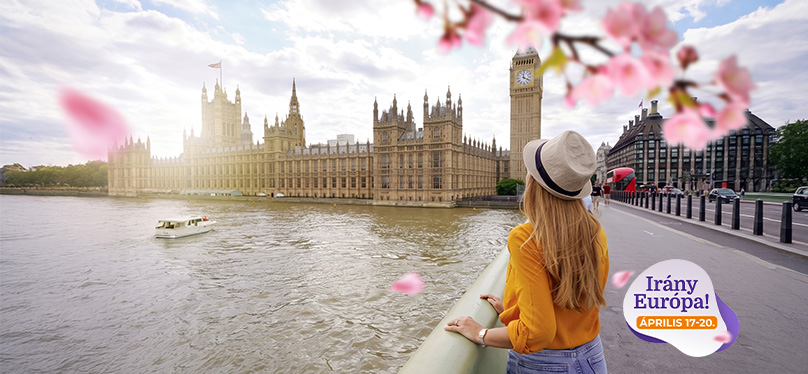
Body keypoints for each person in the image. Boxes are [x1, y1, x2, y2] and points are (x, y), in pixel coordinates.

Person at [444, 130, 609, 374]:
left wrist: (480, 333)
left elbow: (538, 333)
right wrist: (514, 309)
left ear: (534, 184)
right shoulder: (594, 229)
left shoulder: (526, 238)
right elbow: (569, 296)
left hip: (545, 365)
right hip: (592, 357)